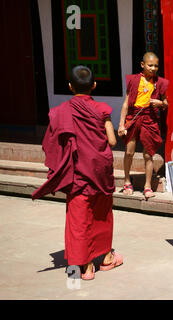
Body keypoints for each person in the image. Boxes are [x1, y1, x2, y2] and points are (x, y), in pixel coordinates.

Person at [32, 66, 123, 280]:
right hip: (100, 170)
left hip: (78, 172)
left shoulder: (62, 110)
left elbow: (52, 142)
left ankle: (86, 266)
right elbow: (111, 141)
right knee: (101, 213)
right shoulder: (102, 109)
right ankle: (107, 258)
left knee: (79, 217)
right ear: (94, 85)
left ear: (71, 87)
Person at [118, 52, 169, 199]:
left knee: (148, 154)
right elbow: (126, 103)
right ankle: (127, 181)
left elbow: (166, 103)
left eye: (156, 66)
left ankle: (147, 186)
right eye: (150, 65)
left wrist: (160, 103)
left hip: (149, 119)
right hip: (133, 118)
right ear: (142, 65)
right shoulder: (134, 80)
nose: (153, 68)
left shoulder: (159, 82)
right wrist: (121, 124)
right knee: (129, 152)